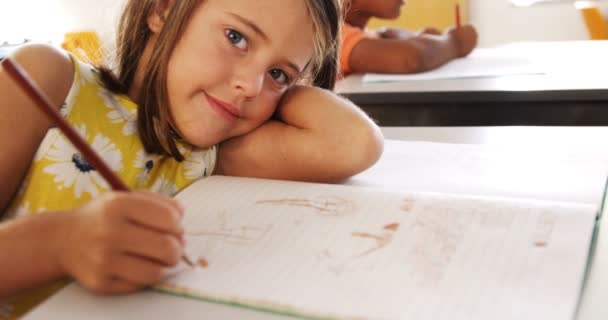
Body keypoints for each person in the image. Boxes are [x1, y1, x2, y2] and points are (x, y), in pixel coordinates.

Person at [0, 0, 383, 317]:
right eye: (237, 37)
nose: (250, 87)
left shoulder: (209, 153)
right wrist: (59, 244)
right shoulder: (49, 81)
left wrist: (287, 90)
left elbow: (351, 143)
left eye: (278, 74)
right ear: (164, 9)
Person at [340, 0, 478, 76]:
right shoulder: (333, 37)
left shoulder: (366, 35)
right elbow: (411, 59)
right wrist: (455, 42)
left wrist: (421, 38)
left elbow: (388, 37)